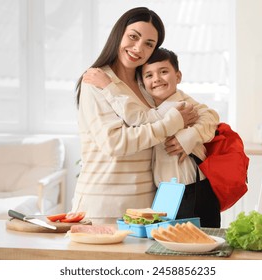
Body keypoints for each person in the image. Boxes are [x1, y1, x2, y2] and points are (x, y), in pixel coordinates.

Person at [72, 7, 199, 224]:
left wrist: (190, 135)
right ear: (119, 34)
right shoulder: (97, 81)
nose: (138, 48)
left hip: (146, 207)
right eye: (133, 36)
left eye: (149, 44)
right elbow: (115, 144)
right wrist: (171, 124)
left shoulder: (148, 84)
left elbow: (194, 114)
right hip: (103, 206)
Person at [89, 47, 221, 227]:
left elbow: (211, 117)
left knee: (195, 247)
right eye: (149, 75)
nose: (157, 79)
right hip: (168, 194)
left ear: (178, 76)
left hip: (191, 192)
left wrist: (190, 136)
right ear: (142, 82)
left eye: (164, 72)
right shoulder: (154, 107)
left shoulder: (182, 104)